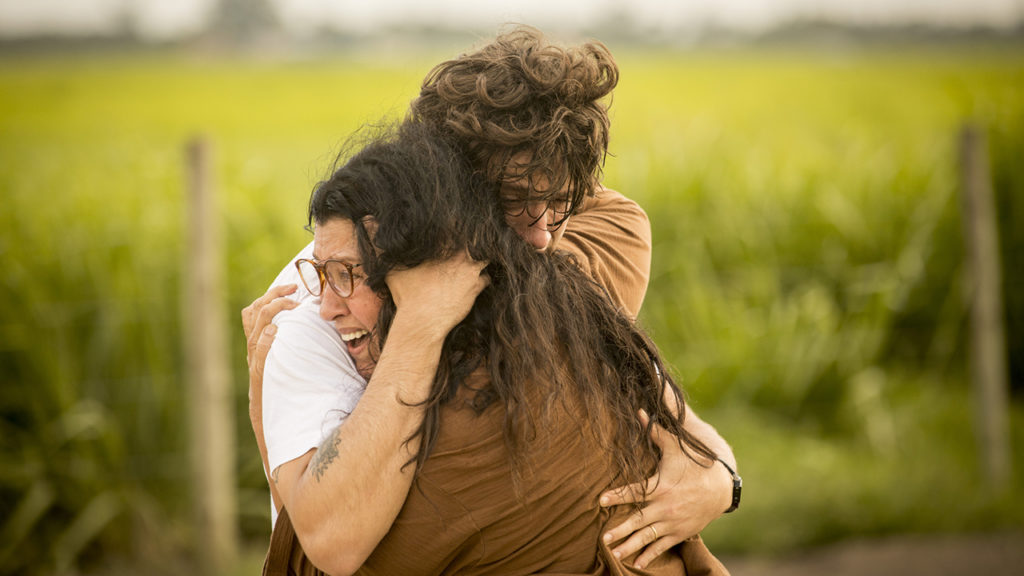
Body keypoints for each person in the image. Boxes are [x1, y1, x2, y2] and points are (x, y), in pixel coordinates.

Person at [242, 26, 738, 571]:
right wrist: (419, 328)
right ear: (445, 190)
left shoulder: (573, 255)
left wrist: (716, 469)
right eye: (519, 203)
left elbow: (606, 358)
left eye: (560, 204)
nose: (545, 236)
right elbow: (329, 542)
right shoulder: (308, 313)